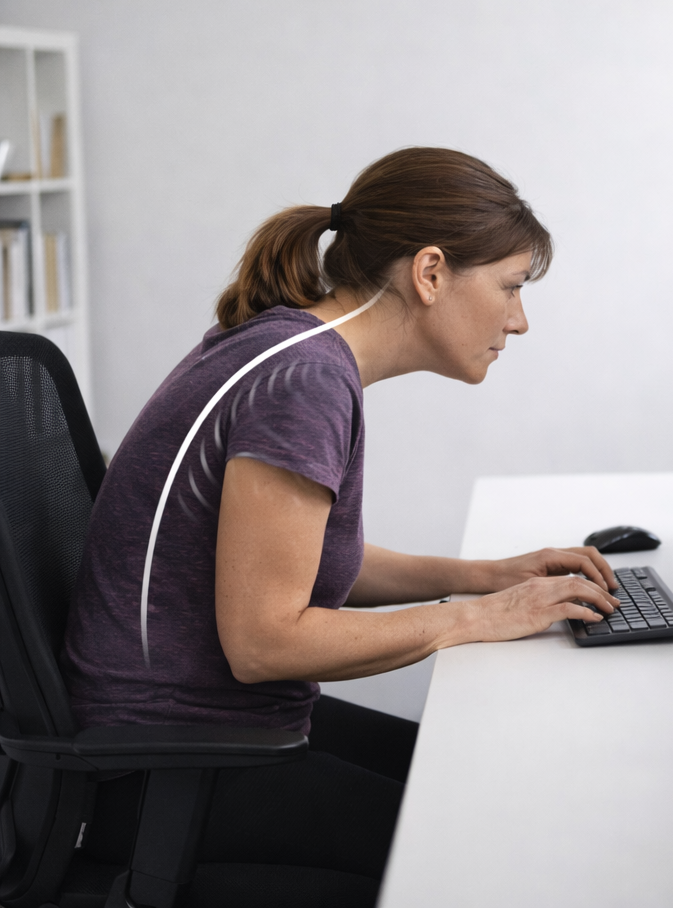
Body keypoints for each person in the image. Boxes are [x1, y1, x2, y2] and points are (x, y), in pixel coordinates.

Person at [60, 147, 622, 904]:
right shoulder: (305, 381)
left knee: (472, 786)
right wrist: (477, 619)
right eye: (511, 288)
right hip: (165, 770)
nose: (519, 321)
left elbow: (295, 566)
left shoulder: (287, 346)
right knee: (490, 848)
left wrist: (484, 576)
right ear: (430, 274)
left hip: (199, 733)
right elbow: (267, 641)